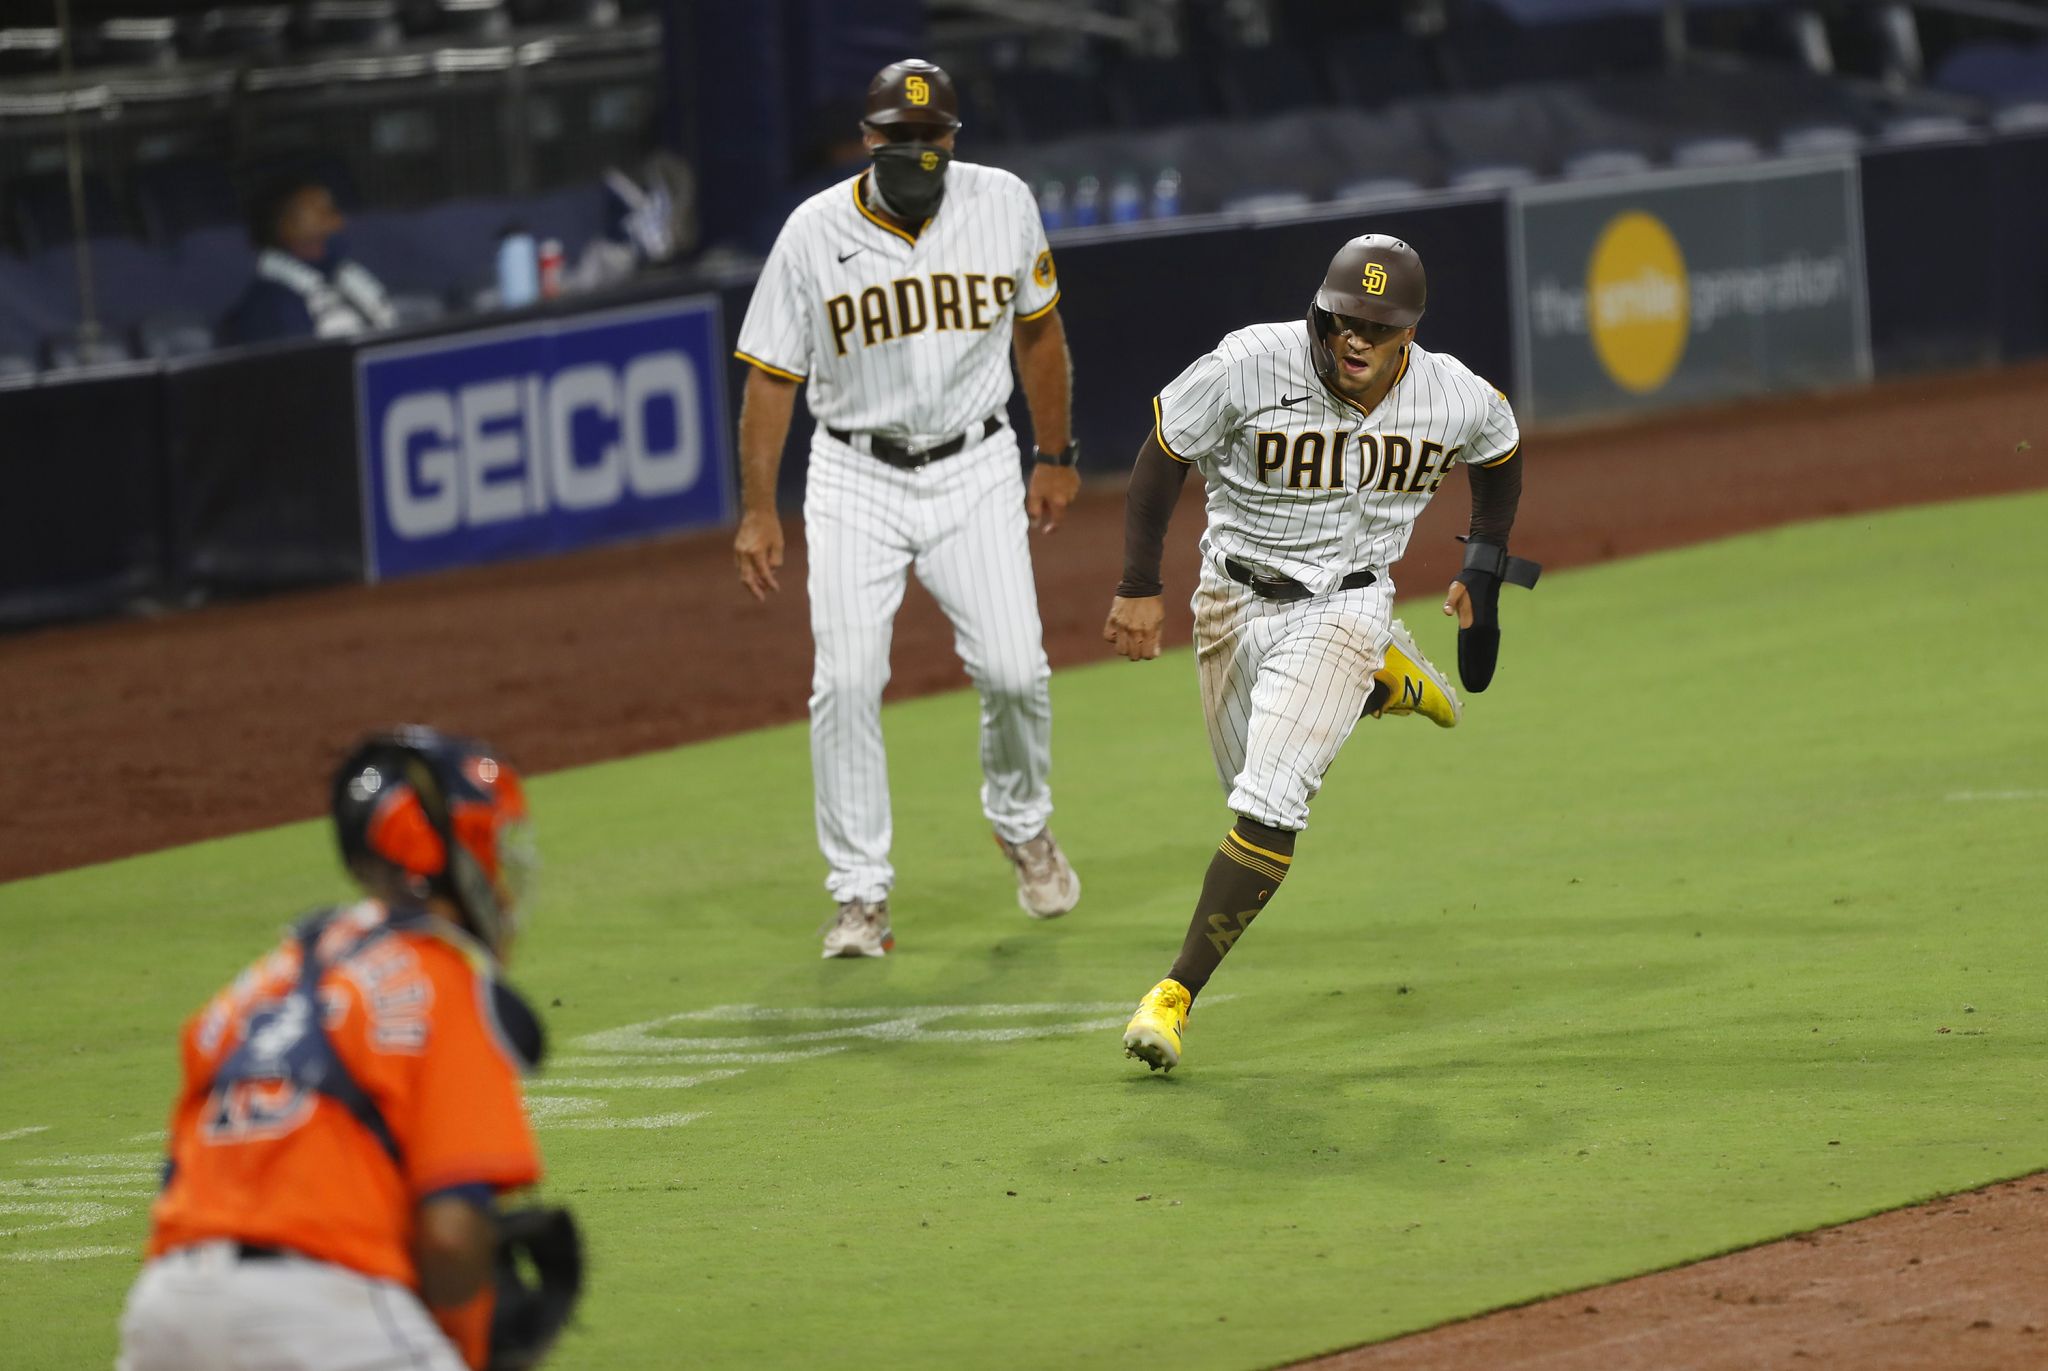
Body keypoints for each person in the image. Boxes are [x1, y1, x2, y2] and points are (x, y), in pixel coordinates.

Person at [1105, 234, 1534, 1072]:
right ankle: (1383, 679)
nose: (1357, 339)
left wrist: (1482, 562)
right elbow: (1165, 452)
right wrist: (1136, 582)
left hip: (1348, 600)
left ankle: (1174, 994)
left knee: (1271, 804)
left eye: (1378, 325)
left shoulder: (1454, 395)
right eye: (1343, 319)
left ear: (1410, 330)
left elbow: (1502, 451)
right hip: (1228, 601)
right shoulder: (1248, 365)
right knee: (1244, 791)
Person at [730, 58, 1085, 959]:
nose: (918, 150)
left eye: (934, 137)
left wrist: (1055, 453)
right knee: (845, 683)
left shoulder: (1001, 202)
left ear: (952, 139)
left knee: (1015, 670)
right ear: (869, 138)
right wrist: (758, 511)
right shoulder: (811, 232)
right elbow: (772, 376)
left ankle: (1021, 821)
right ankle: (860, 897)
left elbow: (1038, 331)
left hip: (975, 464)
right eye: (901, 136)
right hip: (855, 476)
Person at [117, 727, 581, 1371]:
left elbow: (178, 1182)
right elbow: (450, 1240)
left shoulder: (255, 988)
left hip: (165, 1313)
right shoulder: (446, 980)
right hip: (321, 1319)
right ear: (459, 851)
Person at [220, 173, 396, 344]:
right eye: (322, 212)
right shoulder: (271, 303)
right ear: (284, 224)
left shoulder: (341, 272)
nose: (337, 220)